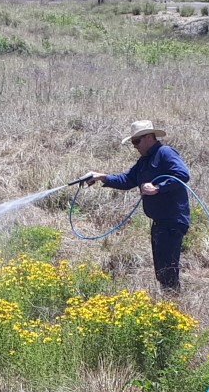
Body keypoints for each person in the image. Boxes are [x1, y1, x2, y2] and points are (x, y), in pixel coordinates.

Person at [79, 120, 192, 294]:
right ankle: (170, 301)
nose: (135, 146)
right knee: (162, 269)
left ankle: (173, 304)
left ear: (148, 137)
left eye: (136, 141)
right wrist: (102, 177)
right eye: (133, 142)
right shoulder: (143, 161)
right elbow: (126, 180)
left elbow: (182, 174)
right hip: (160, 222)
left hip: (172, 221)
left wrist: (158, 188)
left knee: (168, 269)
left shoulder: (165, 153)